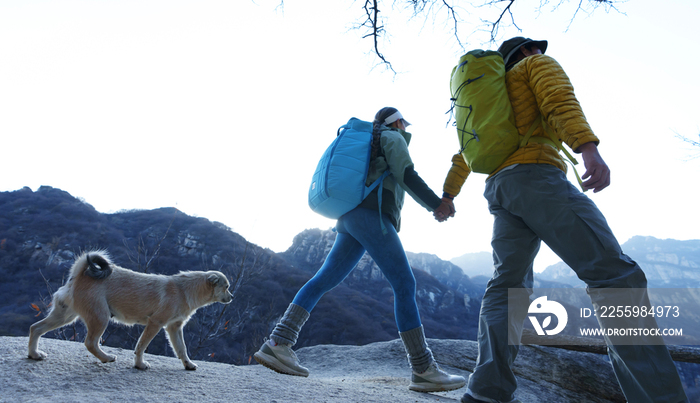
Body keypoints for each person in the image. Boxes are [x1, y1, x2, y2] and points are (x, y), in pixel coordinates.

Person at [435, 37, 688, 403]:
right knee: (616, 276)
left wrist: (448, 197)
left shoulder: (491, 104)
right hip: (538, 179)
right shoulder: (535, 65)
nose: (541, 51)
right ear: (524, 52)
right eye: (535, 47)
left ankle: (486, 392)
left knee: (508, 287)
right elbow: (559, 100)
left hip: (501, 189)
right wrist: (588, 149)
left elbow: (464, 155)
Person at [254, 107, 465, 392]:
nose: (405, 127)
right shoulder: (393, 137)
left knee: (323, 280)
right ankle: (423, 368)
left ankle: (277, 343)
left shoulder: (371, 141)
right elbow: (406, 174)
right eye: (404, 123)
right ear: (397, 122)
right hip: (371, 216)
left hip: (351, 216)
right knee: (405, 283)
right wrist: (436, 204)